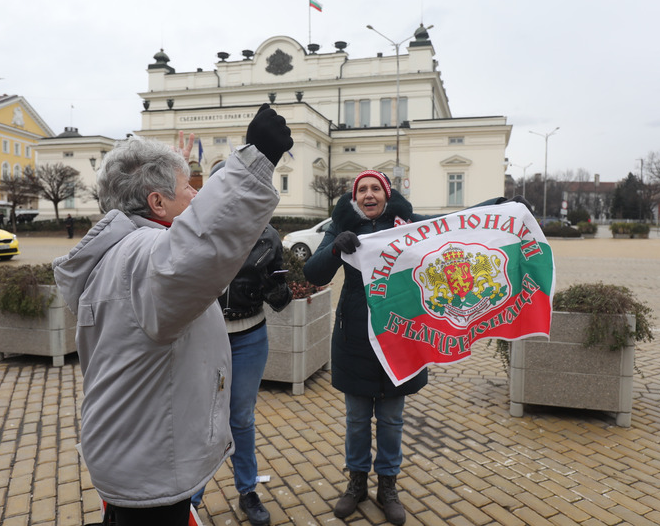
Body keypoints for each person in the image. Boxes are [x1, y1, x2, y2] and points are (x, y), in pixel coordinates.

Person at [52, 104, 293, 526]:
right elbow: (197, 247)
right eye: (188, 189)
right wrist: (254, 161)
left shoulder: (124, 251)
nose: (198, 196)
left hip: (135, 455)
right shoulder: (140, 255)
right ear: (157, 201)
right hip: (149, 468)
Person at [302, 170, 429, 525]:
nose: (369, 194)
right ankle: (356, 482)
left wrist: (501, 207)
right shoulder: (342, 226)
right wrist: (335, 247)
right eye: (362, 189)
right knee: (357, 420)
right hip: (355, 336)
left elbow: (456, 226)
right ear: (354, 197)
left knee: (391, 420)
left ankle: (387, 486)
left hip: (399, 334)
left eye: (376, 188)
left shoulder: (408, 225)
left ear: (387, 195)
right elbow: (314, 273)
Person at [190, 161, 293, 525]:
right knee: (204, 417)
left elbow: (280, 300)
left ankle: (247, 491)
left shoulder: (266, 234)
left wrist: (279, 283)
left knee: (240, 418)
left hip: (250, 337)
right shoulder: (196, 229)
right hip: (205, 338)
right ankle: (192, 495)